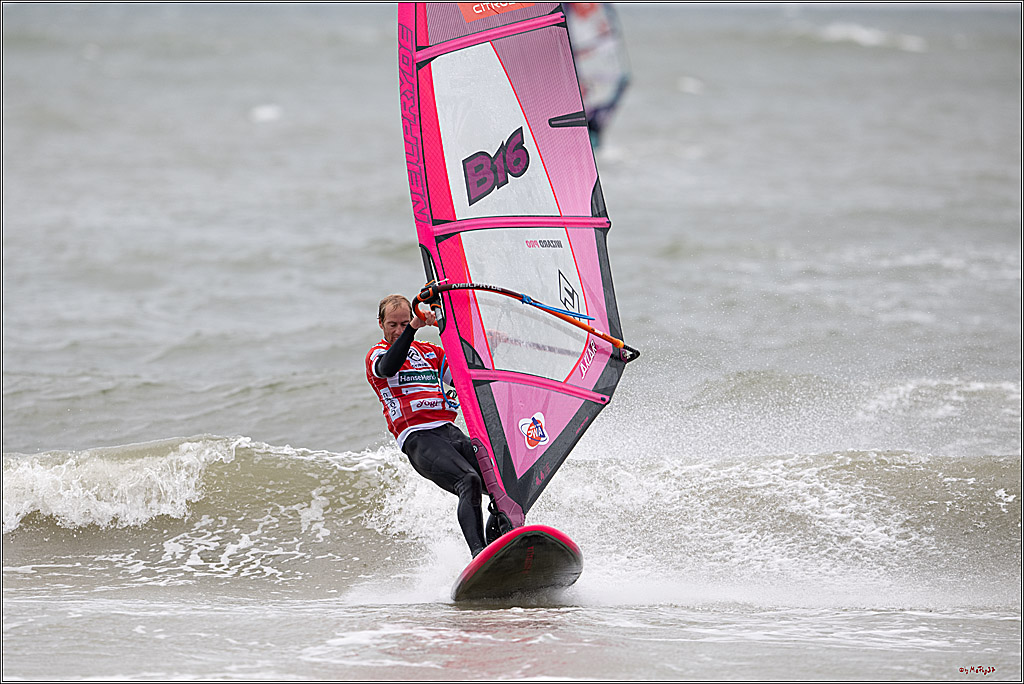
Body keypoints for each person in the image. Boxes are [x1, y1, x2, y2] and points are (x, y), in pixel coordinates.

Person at [365, 293, 488, 557]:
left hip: (449, 432)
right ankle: (479, 554)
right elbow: (389, 367)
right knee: (468, 480)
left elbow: (468, 379)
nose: (398, 330)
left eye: (404, 323)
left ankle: (503, 542)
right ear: (381, 324)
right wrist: (413, 329)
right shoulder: (377, 355)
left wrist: (477, 337)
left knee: (499, 483)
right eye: (392, 325)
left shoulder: (431, 353)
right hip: (419, 439)